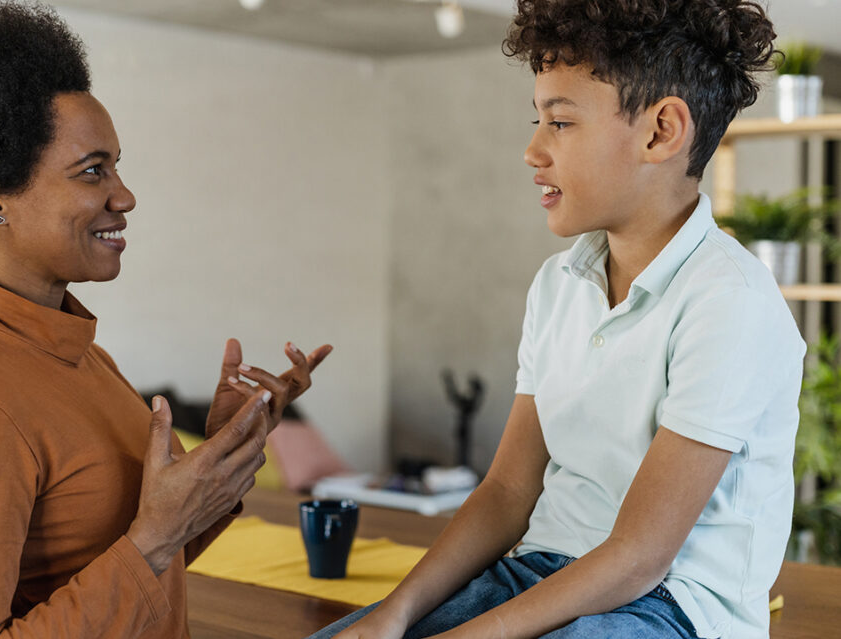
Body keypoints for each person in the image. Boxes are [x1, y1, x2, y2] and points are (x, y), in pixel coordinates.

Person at [311, 1, 801, 638]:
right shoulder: (557, 285)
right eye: (538, 120)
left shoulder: (729, 300)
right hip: (536, 572)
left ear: (660, 132)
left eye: (561, 123)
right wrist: (397, 615)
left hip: (670, 606)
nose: (532, 149)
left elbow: (639, 556)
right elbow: (508, 492)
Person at [0, 2, 331, 637]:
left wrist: (222, 458)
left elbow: (140, 574)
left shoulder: (81, 354)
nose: (125, 195)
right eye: (93, 171)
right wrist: (153, 537)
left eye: (116, 165)